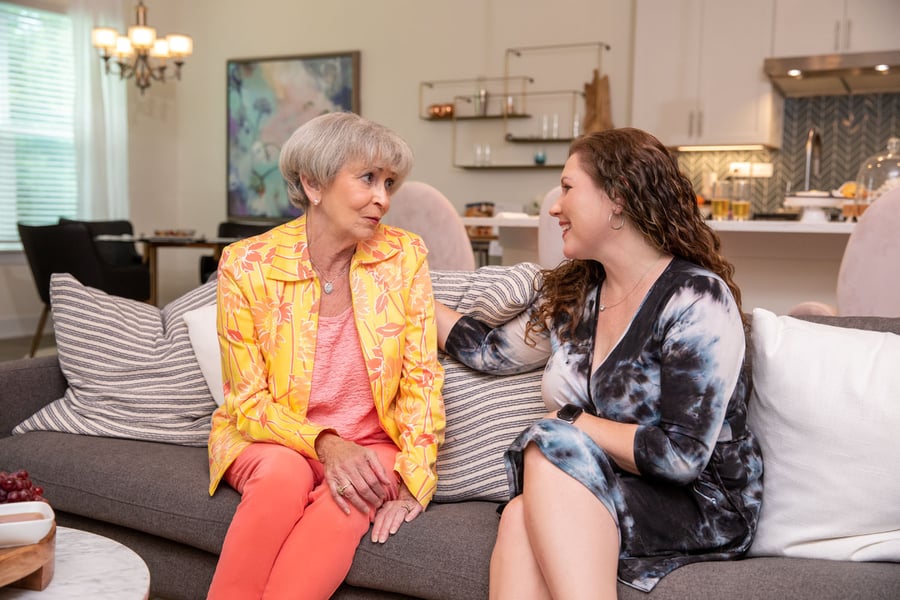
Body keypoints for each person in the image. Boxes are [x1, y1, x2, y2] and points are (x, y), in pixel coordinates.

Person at [435, 127, 762, 598]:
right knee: (519, 514)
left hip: (700, 503)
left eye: (568, 188)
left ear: (617, 198)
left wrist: (571, 421)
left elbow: (682, 456)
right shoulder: (578, 297)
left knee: (549, 442)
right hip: (608, 483)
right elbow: (489, 351)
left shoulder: (694, 297)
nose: (554, 207)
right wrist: (401, 287)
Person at [206, 112, 445, 600]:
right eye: (368, 178)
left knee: (356, 489)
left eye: (389, 183)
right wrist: (325, 443)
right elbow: (246, 401)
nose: (383, 198)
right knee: (282, 477)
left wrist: (414, 478)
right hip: (270, 438)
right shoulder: (247, 264)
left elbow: (421, 379)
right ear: (313, 184)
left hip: (371, 441)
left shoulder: (405, 256)